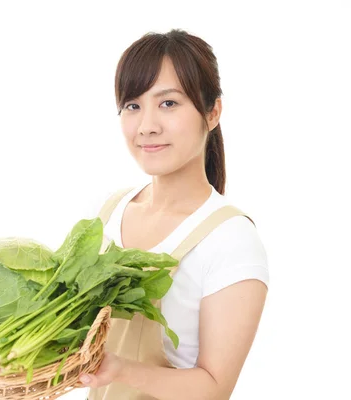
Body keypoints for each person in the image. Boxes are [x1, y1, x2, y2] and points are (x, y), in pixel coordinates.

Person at [76, 29, 270, 400]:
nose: (147, 125)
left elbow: (215, 387)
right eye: (133, 105)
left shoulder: (231, 239)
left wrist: (120, 370)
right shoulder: (109, 211)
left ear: (212, 112)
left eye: (168, 103)